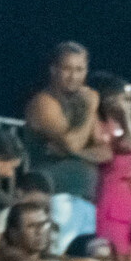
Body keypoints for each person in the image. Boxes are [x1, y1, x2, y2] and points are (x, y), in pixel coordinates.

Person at [86, 73, 131, 261]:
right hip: (113, 207)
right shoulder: (100, 124)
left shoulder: (125, 125)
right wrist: (124, 115)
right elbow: (128, 144)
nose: (129, 105)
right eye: (125, 99)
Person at [22, 40, 106, 203]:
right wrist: (90, 108)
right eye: (67, 69)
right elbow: (73, 144)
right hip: (51, 195)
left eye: (79, 70)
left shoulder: (82, 100)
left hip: (85, 196)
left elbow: (105, 151)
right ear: (54, 70)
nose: (73, 76)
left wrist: (74, 152)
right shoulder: (44, 103)